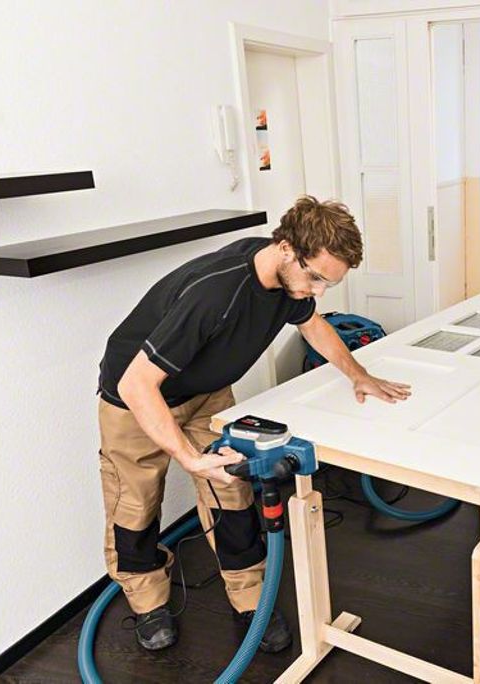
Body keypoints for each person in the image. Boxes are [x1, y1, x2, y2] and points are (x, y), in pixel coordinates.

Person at [96, 196, 411, 652]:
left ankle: (250, 601)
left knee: (233, 495)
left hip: (206, 393)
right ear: (286, 249)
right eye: (316, 277)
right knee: (136, 504)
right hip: (136, 397)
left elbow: (314, 325)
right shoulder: (215, 294)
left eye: (329, 282)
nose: (319, 291)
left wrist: (359, 375)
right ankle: (148, 604)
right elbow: (137, 384)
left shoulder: (287, 281)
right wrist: (189, 458)